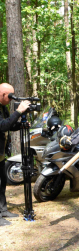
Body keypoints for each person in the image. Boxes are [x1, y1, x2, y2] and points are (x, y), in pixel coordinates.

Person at [0, 83, 31, 226]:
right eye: (10, 97)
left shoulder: (3, 107)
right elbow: (3, 126)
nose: (11, 100)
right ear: (3, 95)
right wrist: (18, 111)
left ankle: (3, 209)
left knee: (2, 182)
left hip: (0, 152)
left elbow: (9, 125)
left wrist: (21, 125)